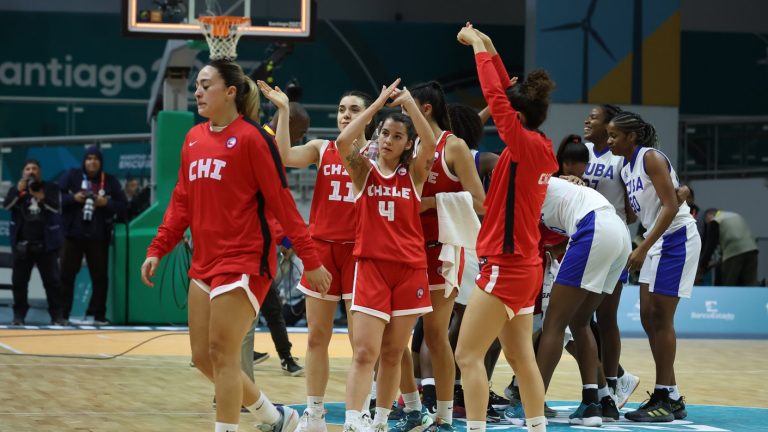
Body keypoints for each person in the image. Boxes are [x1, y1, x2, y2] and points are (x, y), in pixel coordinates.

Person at [140, 59, 331, 432]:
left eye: (205, 84)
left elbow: (281, 202)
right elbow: (181, 201)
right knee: (202, 357)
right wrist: (157, 248)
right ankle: (276, 418)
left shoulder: (253, 138)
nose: (197, 91)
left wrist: (310, 259)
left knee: (223, 355)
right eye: (196, 84)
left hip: (245, 260)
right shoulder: (193, 138)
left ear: (230, 92)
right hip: (205, 261)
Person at [453, 24, 558, 432]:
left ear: (516, 118)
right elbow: (503, 93)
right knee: (520, 357)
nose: (498, 120)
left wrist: (478, 47)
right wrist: (490, 46)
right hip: (524, 266)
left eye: (505, 117)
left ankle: (475, 429)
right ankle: (537, 427)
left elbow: (496, 97)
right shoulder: (538, 144)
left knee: (467, 355)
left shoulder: (525, 146)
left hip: (506, 265)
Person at [257, 80, 374, 432]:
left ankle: (361, 412)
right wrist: (281, 112)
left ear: (367, 116)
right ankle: (315, 413)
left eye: (353, 110)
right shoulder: (322, 148)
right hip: (321, 250)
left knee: (362, 344)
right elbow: (283, 157)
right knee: (316, 337)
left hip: (359, 251)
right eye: (341, 109)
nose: (345, 115)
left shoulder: (376, 152)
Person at [335, 79, 438, 432]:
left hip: (410, 271)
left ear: (408, 143)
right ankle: (353, 420)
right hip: (372, 268)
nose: (388, 140)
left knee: (394, 353)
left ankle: (379, 421)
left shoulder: (414, 175)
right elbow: (342, 141)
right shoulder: (364, 171)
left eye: (397, 136)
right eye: (384, 133)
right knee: (365, 353)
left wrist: (409, 105)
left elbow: (432, 144)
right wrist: (377, 105)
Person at [393, 81, 486, 432]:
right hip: (404, 250)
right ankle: (413, 409)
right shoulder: (406, 144)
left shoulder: (454, 146)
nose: (402, 114)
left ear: (424, 109)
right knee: (395, 337)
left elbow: (480, 202)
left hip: (442, 250)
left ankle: (444, 418)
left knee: (435, 335)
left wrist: (432, 203)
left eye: (407, 107)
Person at [608, 111, 701, 422]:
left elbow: (671, 205)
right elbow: (641, 211)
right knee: (649, 317)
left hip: (675, 239)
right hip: (656, 241)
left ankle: (663, 397)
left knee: (661, 316)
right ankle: (672, 394)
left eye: (614, 136)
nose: (610, 141)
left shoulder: (650, 157)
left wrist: (642, 247)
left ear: (631, 137)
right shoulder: (625, 167)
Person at [582, 105, 641, 408]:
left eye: (593, 117)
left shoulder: (620, 161)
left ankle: (614, 383)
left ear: (609, 125)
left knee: (605, 317)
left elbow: (632, 210)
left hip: (611, 241)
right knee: (577, 319)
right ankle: (610, 377)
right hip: (580, 240)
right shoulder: (582, 153)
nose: (587, 121)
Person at [58, 146, 127, 325]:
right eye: (88, 158)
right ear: (84, 161)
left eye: (96, 158)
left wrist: (106, 203)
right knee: (66, 275)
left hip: (98, 236)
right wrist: (74, 199)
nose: (92, 161)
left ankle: (98, 315)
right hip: (73, 235)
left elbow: (123, 206)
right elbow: (56, 199)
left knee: (100, 277)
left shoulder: (109, 180)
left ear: (101, 162)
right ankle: (62, 314)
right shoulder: (71, 176)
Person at [2, 159, 66, 326]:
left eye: (34, 169)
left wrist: (41, 197)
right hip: (23, 245)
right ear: (23, 172)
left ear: (40, 172)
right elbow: (7, 206)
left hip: (46, 244)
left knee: (52, 282)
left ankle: (57, 316)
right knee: (19, 282)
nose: (31, 171)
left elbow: (57, 208)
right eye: (28, 169)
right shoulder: (17, 189)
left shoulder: (50, 188)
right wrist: (18, 191)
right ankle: (19, 315)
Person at [698, 208, 758, 286]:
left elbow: (710, 246)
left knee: (729, 284)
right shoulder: (735, 215)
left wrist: (702, 265)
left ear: (709, 215)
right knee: (750, 284)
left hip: (733, 253)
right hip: (752, 250)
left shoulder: (715, 220)